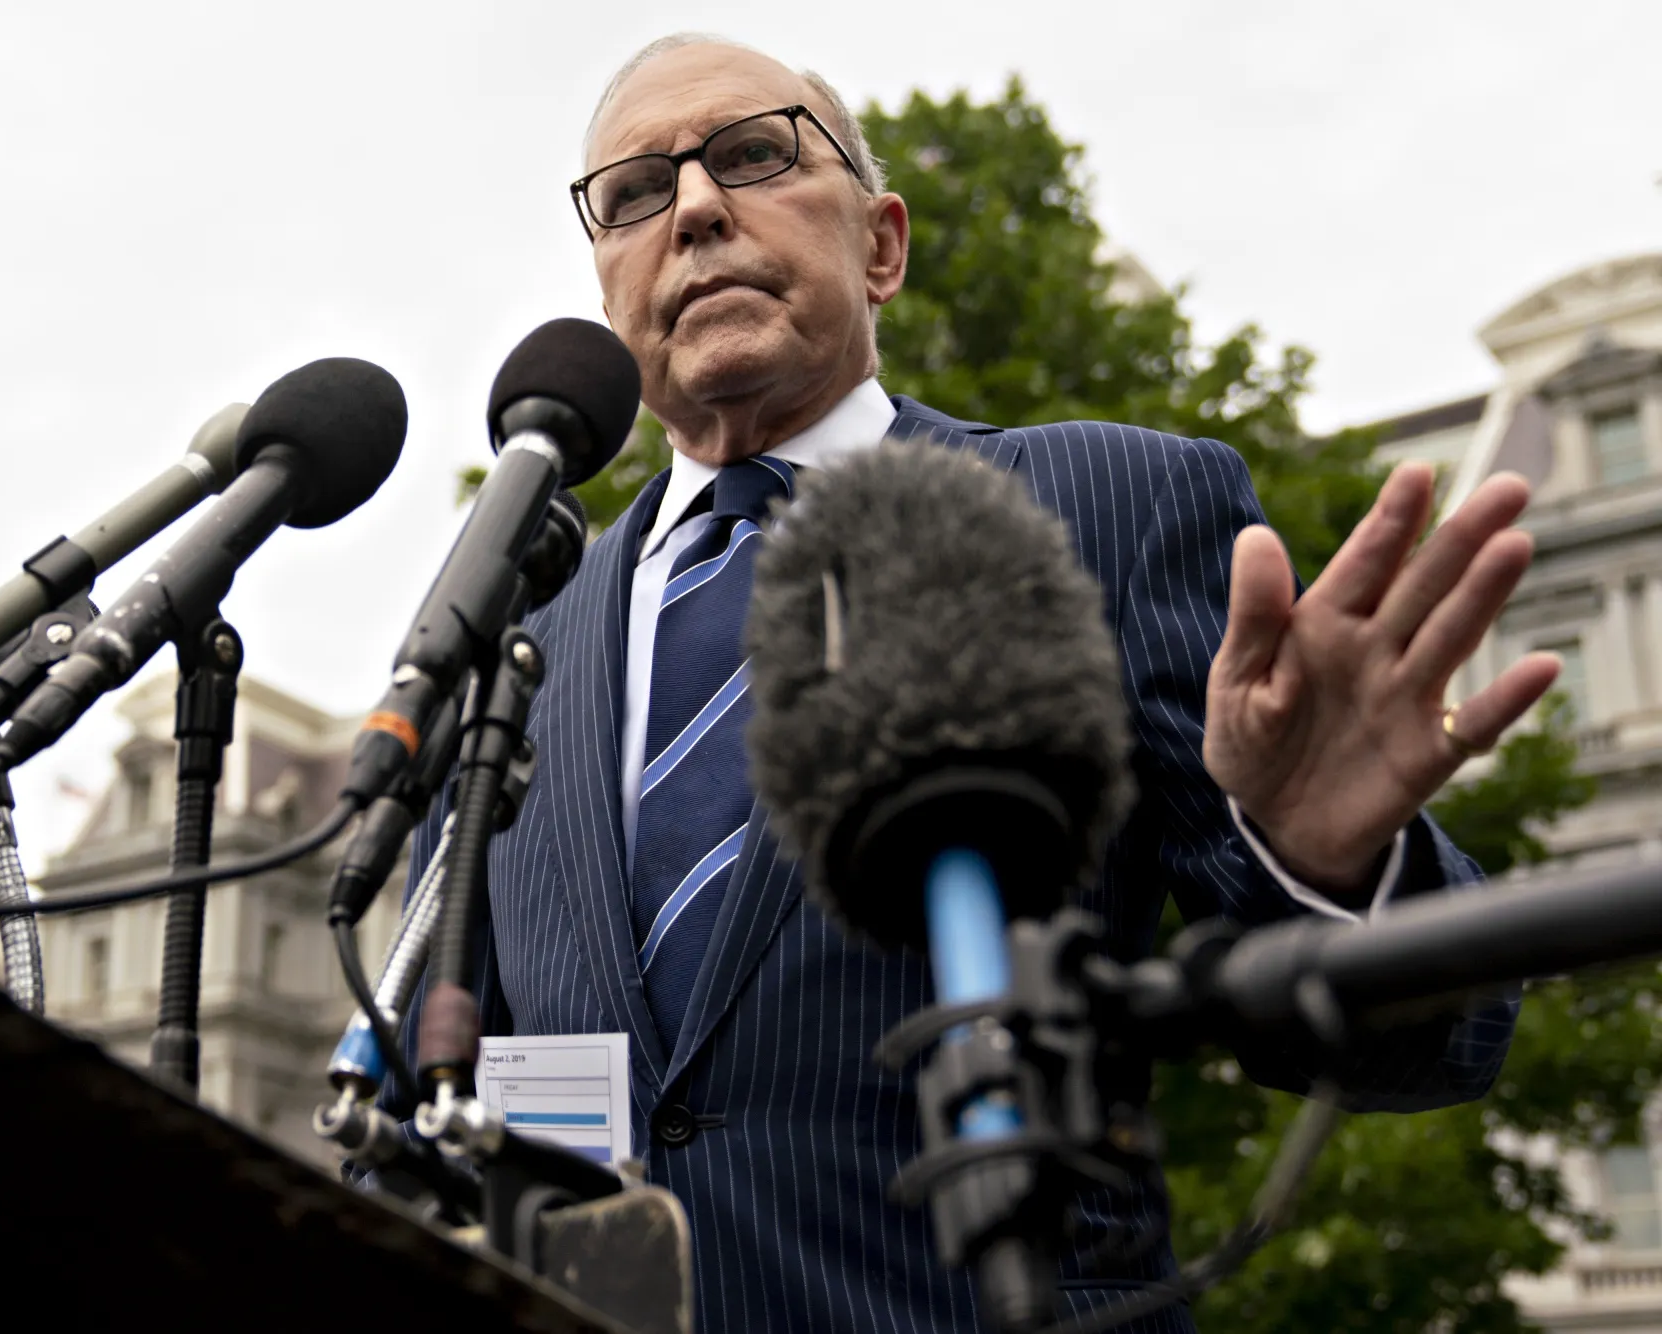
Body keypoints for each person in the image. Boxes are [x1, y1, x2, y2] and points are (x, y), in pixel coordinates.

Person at [394, 34, 1551, 1333]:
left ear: (882, 245)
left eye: (754, 154)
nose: (699, 209)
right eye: (635, 196)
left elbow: (1427, 1039)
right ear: (609, 296)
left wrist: (1329, 866)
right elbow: (427, 1114)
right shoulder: (507, 651)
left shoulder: (1108, 508)